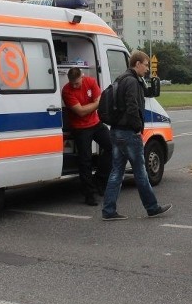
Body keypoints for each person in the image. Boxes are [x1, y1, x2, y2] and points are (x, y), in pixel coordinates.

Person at [101, 51, 172, 221]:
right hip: (128, 133)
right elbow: (133, 106)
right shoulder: (132, 82)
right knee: (140, 172)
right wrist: (138, 127)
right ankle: (152, 207)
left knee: (116, 172)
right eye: (146, 65)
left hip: (116, 130)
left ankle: (108, 210)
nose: (147, 69)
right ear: (137, 64)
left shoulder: (121, 79)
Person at [61, 67, 112, 206]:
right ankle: (89, 194)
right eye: (72, 83)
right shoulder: (66, 90)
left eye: (77, 83)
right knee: (85, 161)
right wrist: (96, 103)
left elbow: (96, 102)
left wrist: (94, 104)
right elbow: (81, 112)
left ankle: (100, 180)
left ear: (82, 77)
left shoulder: (90, 81)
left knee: (111, 147)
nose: (75, 86)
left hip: (96, 124)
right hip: (80, 128)